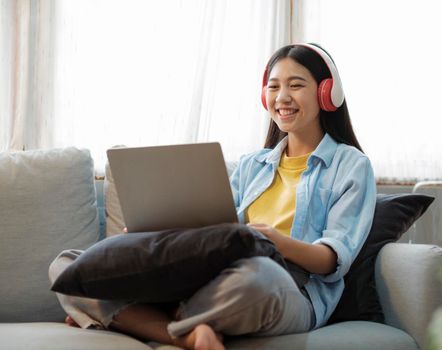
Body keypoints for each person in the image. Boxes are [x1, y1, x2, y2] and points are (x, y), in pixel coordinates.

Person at [49, 43, 376, 350]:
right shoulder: (253, 165)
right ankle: (190, 334)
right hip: (213, 276)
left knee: (257, 279)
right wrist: (152, 231)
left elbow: (333, 260)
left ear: (326, 93)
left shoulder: (350, 166)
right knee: (69, 266)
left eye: (296, 85)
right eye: (274, 87)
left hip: (289, 288)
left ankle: (137, 318)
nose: (282, 97)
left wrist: (277, 241)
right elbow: (214, 227)